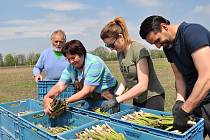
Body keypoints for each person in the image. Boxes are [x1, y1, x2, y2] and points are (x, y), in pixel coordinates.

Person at [139, 15, 210, 136]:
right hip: (194, 100)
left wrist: (185, 110)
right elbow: (179, 77)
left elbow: (207, 76)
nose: (158, 46)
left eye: (157, 40)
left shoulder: (192, 33)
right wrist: (179, 100)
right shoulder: (168, 47)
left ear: (164, 26)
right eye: (153, 44)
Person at [100, 17, 165, 113]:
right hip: (137, 98)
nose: (111, 49)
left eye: (112, 45)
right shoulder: (120, 53)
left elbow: (143, 85)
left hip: (152, 98)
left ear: (120, 37)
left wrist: (117, 100)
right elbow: (127, 78)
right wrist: (116, 95)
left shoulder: (138, 50)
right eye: (108, 46)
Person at [44, 39, 119, 115]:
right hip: (91, 97)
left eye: (73, 58)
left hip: (107, 96)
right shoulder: (71, 67)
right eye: (68, 59)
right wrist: (47, 97)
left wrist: (64, 102)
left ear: (82, 53)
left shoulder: (94, 63)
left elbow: (87, 91)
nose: (71, 62)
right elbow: (60, 86)